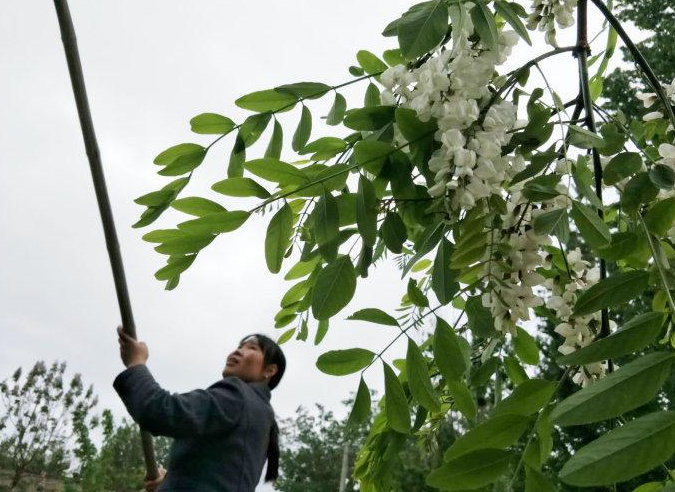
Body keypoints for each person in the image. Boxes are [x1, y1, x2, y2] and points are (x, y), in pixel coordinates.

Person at [114, 326, 286, 492]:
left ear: (270, 370)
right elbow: (219, 476)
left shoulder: (238, 396)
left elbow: (159, 411)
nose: (238, 351)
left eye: (252, 348)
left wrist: (136, 363)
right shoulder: (262, 416)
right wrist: (171, 482)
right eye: (239, 346)